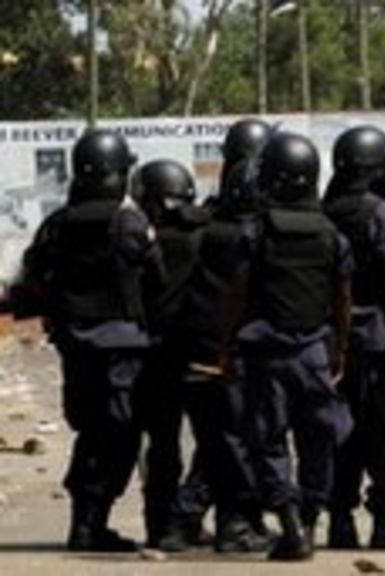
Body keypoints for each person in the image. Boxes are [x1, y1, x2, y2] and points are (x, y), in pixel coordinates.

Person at [14, 131, 161, 551]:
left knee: (92, 430)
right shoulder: (130, 222)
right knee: (118, 432)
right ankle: (90, 522)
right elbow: (155, 275)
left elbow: (32, 275)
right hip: (123, 344)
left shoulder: (57, 224)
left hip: (76, 343)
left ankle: (87, 523)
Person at [224, 132, 354, 561]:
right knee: (318, 438)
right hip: (314, 351)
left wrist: (225, 347)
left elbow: (238, 295)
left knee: (269, 441)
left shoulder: (253, 232)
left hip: (265, 353)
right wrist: (339, 350)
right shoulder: (331, 234)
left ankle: (291, 524)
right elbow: (342, 296)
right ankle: (312, 521)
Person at [322, 126, 385, 550]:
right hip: (378, 340)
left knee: (341, 433)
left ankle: (339, 519)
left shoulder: (323, 212)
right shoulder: (380, 214)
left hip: (332, 342)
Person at [167, 161, 271, 553]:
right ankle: (213, 522)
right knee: (234, 442)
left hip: (198, 348)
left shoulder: (202, 229)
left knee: (221, 442)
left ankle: (202, 522)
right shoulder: (251, 237)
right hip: (227, 352)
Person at [130, 160, 214, 549]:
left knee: (162, 445)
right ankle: (187, 515)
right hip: (199, 352)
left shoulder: (143, 241)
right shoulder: (206, 233)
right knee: (215, 441)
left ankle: (162, 524)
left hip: (153, 354)